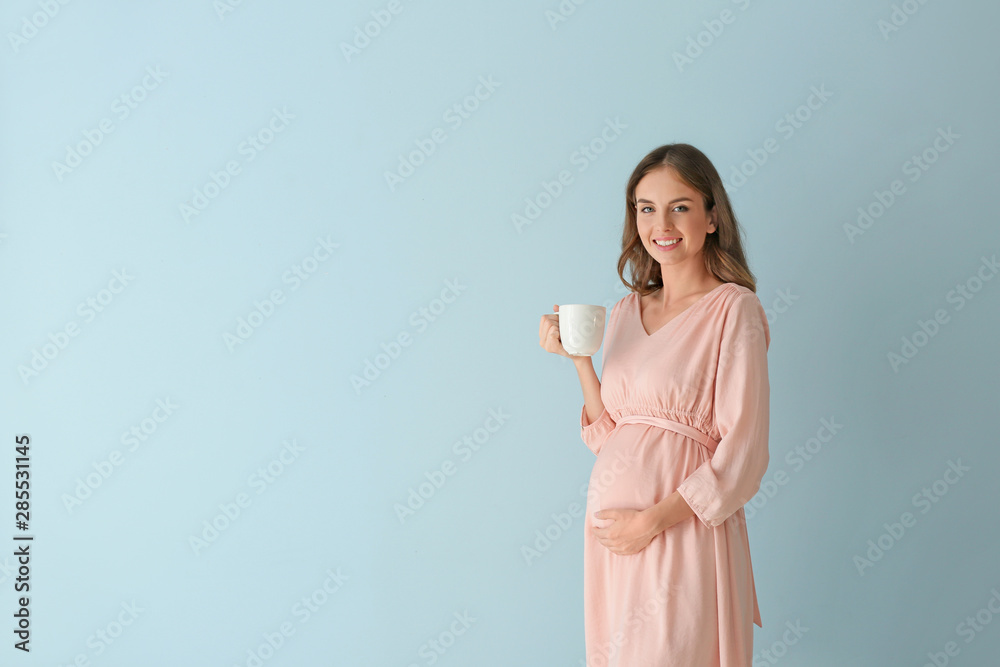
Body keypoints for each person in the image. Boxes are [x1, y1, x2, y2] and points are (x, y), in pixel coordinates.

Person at [538, 143, 771, 666]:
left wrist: (651, 522)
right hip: (613, 544)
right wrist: (579, 361)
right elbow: (610, 436)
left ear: (712, 217)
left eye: (679, 206)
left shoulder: (735, 311)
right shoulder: (624, 310)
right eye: (646, 208)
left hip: (679, 532)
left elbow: (744, 455)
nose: (660, 223)